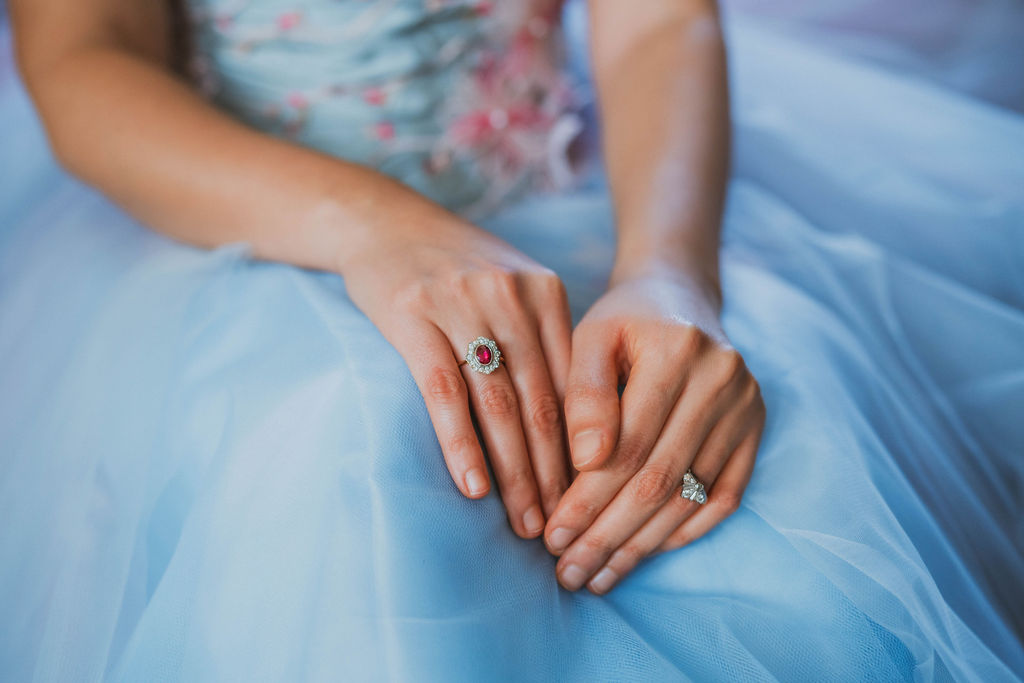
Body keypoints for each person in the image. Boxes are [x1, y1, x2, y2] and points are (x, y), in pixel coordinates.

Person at [1, 0, 1022, 680]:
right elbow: (85, 54)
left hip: (585, 187)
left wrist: (667, 271)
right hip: (238, 219)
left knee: (761, 490)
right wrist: (377, 232)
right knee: (338, 490)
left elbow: (657, 19)